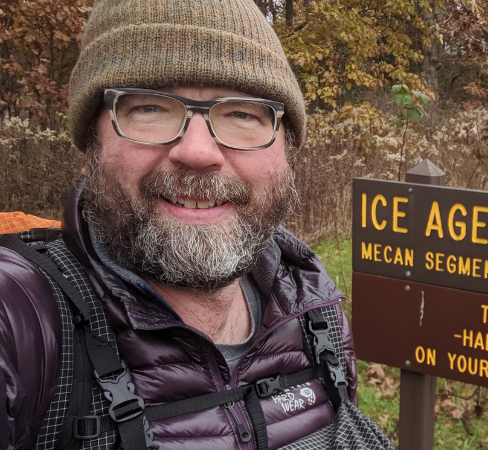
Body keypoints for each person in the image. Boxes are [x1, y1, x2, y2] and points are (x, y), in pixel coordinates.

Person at [0, 0, 388, 449]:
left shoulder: (314, 313)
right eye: (148, 108)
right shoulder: (24, 324)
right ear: (91, 143)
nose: (199, 152)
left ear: (285, 147)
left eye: (242, 113)